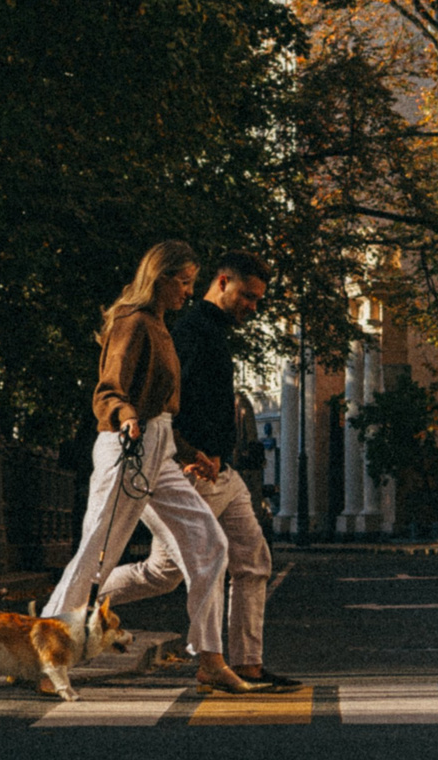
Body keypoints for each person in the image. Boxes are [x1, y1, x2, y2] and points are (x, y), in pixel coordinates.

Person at [42, 241, 249, 694]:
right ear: (160, 277)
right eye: (184, 282)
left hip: (160, 448)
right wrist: (126, 415)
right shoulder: (132, 322)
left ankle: (210, 659)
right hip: (126, 447)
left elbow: (165, 409)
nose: (189, 293)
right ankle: (46, 655)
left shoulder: (158, 325)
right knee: (98, 551)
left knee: (210, 543)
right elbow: (107, 390)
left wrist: (189, 450)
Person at [95, 252, 299, 691]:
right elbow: (164, 401)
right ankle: (71, 601)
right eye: (247, 296)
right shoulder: (188, 331)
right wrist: (184, 452)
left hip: (221, 471)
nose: (253, 307)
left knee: (253, 559)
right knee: (164, 573)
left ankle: (247, 664)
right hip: (187, 469)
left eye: (258, 300)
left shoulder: (214, 332)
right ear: (222, 282)